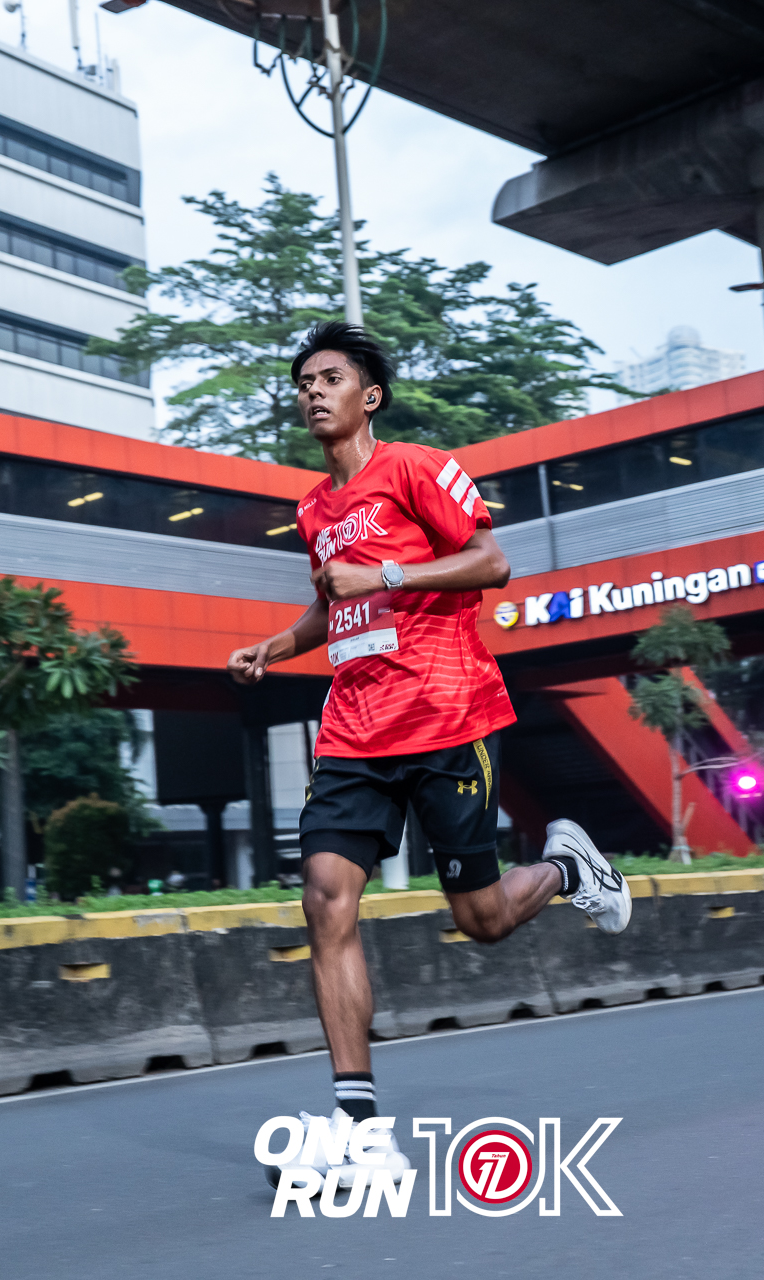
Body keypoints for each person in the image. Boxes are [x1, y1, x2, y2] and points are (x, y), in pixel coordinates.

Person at [228, 321, 630, 1175]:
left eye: (330, 378)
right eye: (303, 382)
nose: (312, 391)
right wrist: (277, 645)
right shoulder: (313, 509)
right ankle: (361, 1132)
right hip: (354, 731)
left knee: (481, 921)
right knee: (325, 898)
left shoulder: (414, 468)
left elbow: (492, 562)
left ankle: (567, 869)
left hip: (447, 716)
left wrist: (386, 574)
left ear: (368, 396)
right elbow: (333, 606)